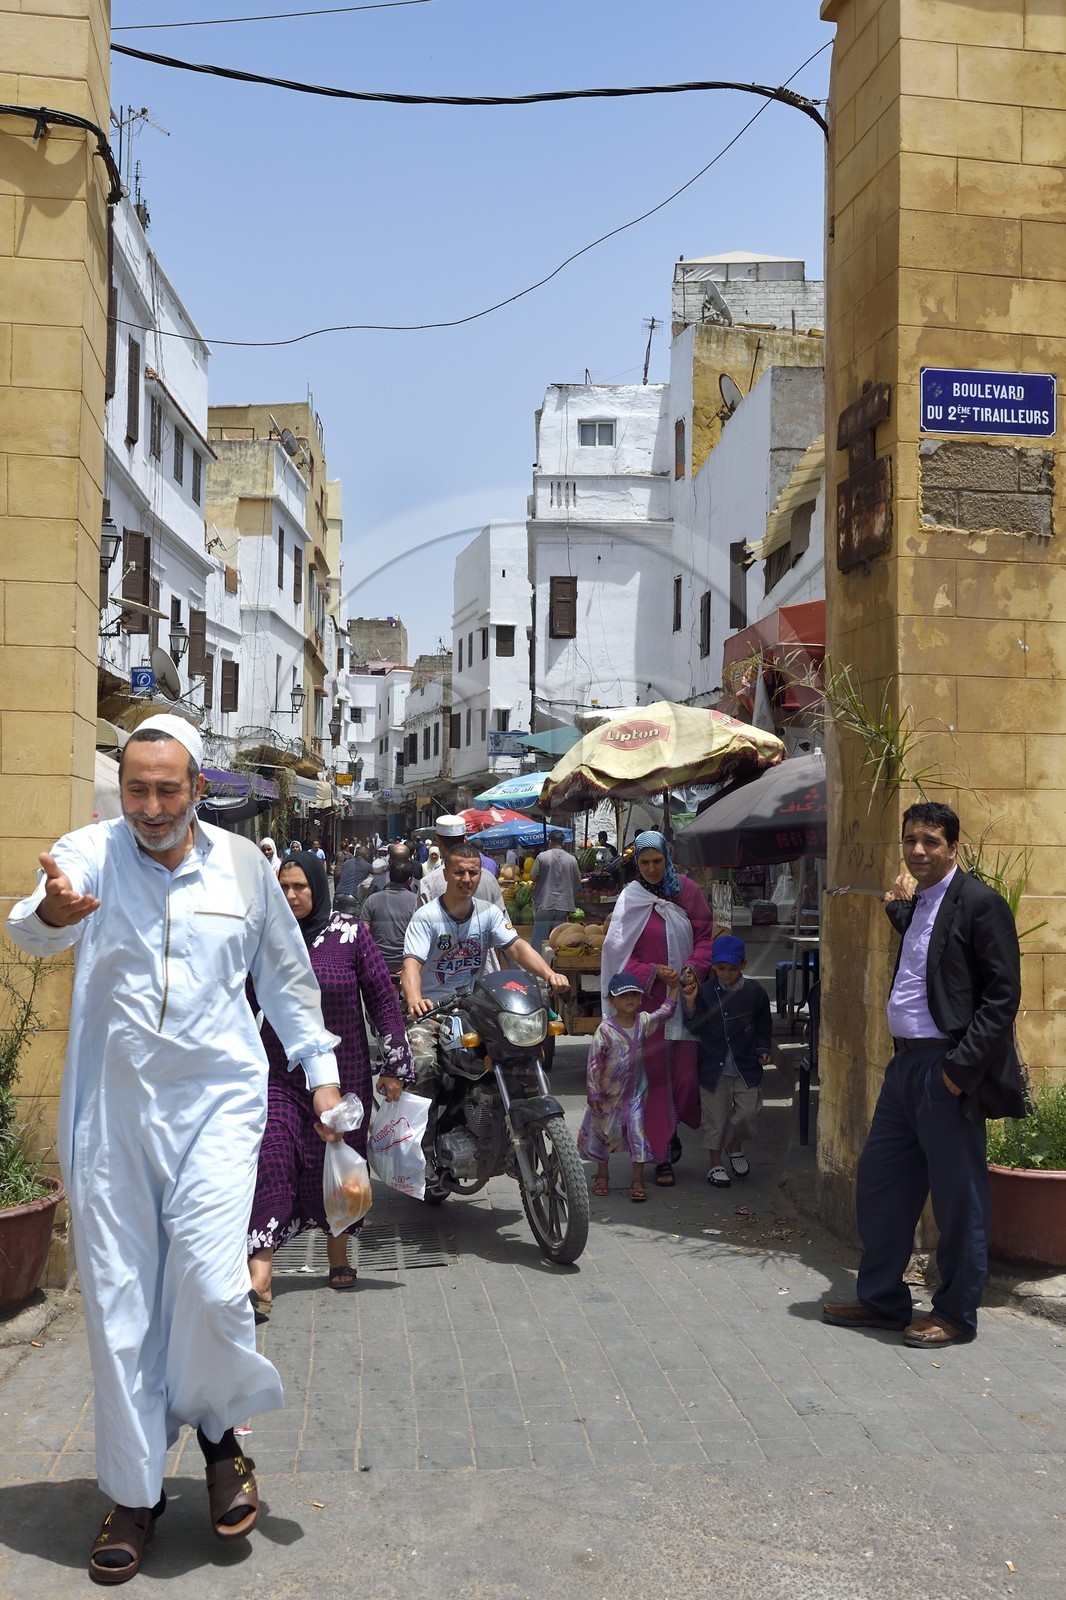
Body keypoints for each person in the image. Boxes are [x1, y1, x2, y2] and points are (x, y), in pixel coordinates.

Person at [6, 715, 343, 1584]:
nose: (151, 807)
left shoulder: (243, 865)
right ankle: (133, 1496)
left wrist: (322, 1075)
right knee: (120, 1306)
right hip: (114, 1115)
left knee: (206, 1277)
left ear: (199, 787)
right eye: (137, 789)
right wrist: (51, 909)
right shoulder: (91, 850)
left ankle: (222, 1437)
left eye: (167, 789)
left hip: (219, 1107)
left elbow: (285, 978)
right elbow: (33, 924)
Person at [822, 801, 1026, 1349]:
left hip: (946, 1068)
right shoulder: (919, 904)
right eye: (911, 840)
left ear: (954, 848)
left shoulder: (981, 904)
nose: (918, 850)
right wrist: (897, 911)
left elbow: (1002, 997)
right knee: (882, 1182)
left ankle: (956, 1314)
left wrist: (960, 1072)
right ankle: (883, 1301)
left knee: (958, 1199)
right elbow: (930, 960)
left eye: (931, 841)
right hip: (904, 1066)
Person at [247, 852, 413, 1310]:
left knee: (336, 1167)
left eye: (300, 887)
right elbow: (237, 1002)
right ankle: (260, 1271)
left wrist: (394, 1064)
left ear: (317, 887)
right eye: (283, 887)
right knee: (272, 1154)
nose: (291, 896)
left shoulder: (350, 934)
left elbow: (382, 998)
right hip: (280, 1071)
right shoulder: (265, 936)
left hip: (345, 1074)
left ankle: (337, 1253)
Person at [599, 830, 715, 1186]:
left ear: (667, 858)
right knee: (654, 1083)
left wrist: (691, 968)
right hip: (647, 1004)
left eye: (657, 861)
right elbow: (619, 951)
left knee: (684, 1078)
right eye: (644, 863)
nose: (651, 869)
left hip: (685, 999)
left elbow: (705, 935)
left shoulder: (687, 891)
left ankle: (672, 1130)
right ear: (637, 863)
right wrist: (652, 972)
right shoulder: (630, 898)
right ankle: (662, 1154)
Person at [402, 843, 570, 1016]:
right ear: (446, 874)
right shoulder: (426, 917)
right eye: (459, 872)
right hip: (433, 1010)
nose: (467, 879)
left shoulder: (488, 912)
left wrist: (550, 975)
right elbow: (411, 966)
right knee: (420, 1042)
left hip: (476, 1007)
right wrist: (415, 1000)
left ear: (480, 875)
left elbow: (517, 947)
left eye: (473, 873)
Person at [579, 971, 679, 1204]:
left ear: (640, 998)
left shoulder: (643, 1021)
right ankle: (602, 1175)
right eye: (623, 996)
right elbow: (593, 1063)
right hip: (607, 1097)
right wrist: (593, 1092)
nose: (629, 1000)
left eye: (634, 995)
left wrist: (674, 989)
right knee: (605, 1135)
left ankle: (637, 1180)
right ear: (611, 1000)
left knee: (637, 1135)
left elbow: (665, 1012)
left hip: (634, 1094)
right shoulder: (605, 1030)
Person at [681, 934, 772, 1188]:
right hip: (714, 1069)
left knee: (749, 1113)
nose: (727, 974)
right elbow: (695, 1026)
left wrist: (763, 1048)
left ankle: (735, 1146)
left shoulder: (755, 992)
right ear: (713, 967)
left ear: (743, 965)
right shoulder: (706, 992)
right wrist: (689, 1004)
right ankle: (715, 1164)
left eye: (732, 969)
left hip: (746, 1066)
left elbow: (764, 1023)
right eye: (721, 969)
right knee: (715, 1119)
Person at [418, 815, 507, 912]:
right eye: (458, 873)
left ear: (438, 842)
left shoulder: (428, 884)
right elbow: (503, 922)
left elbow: (419, 922)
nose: (466, 879)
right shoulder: (489, 880)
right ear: (465, 840)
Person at [362, 857, 419, 974]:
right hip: (407, 964)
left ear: (389, 876)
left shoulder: (372, 900)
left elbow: (363, 933)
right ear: (409, 879)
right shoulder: (417, 902)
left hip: (377, 964)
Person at [530, 831, 582, 951]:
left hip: (544, 902)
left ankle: (538, 965)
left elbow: (532, 876)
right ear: (563, 843)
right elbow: (578, 880)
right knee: (557, 940)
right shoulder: (572, 859)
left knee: (540, 940)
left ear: (550, 842)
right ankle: (553, 966)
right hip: (563, 904)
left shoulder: (542, 857)